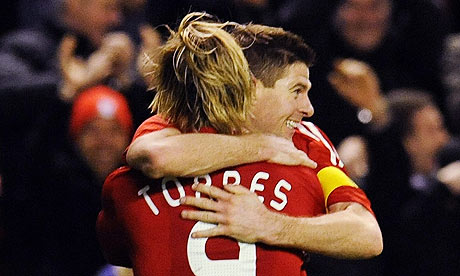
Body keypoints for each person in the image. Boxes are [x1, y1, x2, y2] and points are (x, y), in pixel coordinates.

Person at [97, 12, 382, 275]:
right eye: (296, 90)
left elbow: (367, 234)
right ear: (251, 88)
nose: (308, 108)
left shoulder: (139, 172)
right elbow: (152, 157)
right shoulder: (179, 125)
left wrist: (270, 225)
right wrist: (264, 147)